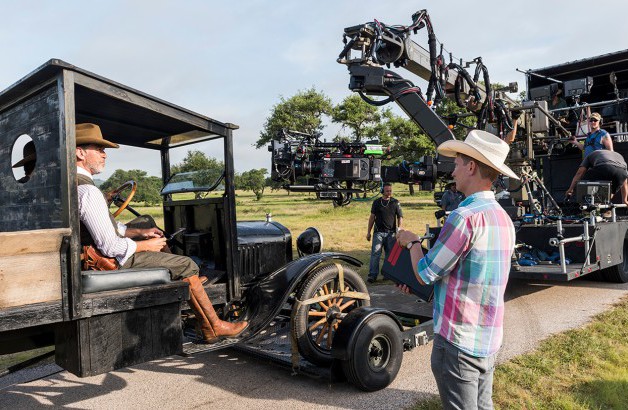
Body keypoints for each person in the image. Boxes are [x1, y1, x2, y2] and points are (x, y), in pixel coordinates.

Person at [75, 123, 247, 343]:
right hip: (110, 260)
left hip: (99, 255)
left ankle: (182, 279)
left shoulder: (77, 185)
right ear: (80, 152)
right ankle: (212, 326)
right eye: (98, 149)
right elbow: (110, 246)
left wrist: (140, 231)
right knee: (187, 264)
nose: (104, 155)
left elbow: (106, 228)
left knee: (149, 226)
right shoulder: (88, 191)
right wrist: (145, 246)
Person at [396, 129, 517, 409]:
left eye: (458, 164)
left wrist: (413, 242)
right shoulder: (503, 219)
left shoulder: (464, 217)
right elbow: (469, 274)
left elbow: (426, 272)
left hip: (458, 344)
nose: (453, 172)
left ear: (472, 166)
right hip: (488, 339)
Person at [366, 183, 403, 283]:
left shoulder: (395, 202)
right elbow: (372, 217)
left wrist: (399, 229)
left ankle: (387, 274)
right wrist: (368, 232)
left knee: (390, 255)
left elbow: (400, 217)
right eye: (387, 191)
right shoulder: (377, 202)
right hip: (378, 233)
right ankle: (372, 275)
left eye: (390, 191)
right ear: (383, 191)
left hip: (391, 233)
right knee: (375, 254)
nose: (389, 193)